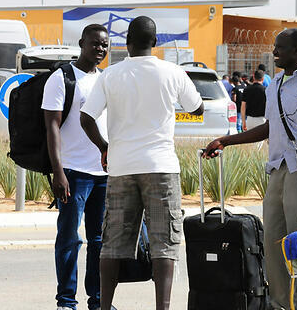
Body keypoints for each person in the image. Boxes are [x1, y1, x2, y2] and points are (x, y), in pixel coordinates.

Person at [203, 28, 297, 310]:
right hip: (277, 170)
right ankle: (280, 303)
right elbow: (268, 128)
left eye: (281, 48)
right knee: (274, 243)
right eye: (275, 47)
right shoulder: (276, 83)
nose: (275, 52)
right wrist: (226, 141)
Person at [79, 16, 204, 310]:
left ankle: (105, 305)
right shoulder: (172, 72)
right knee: (164, 242)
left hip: (121, 167)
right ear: (155, 43)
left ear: (127, 43)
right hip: (161, 166)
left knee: (112, 242)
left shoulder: (110, 75)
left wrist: (105, 147)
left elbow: (86, 118)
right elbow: (196, 108)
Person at [42, 24, 110, 310]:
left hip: (103, 173)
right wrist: (58, 171)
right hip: (72, 172)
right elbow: (52, 126)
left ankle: (97, 300)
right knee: (69, 238)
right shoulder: (62, 78)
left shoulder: (106, 79)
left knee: (99, 241)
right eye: (95, 44)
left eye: (104, 45)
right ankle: (66, 302)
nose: (100, 49)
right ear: (82, 43)